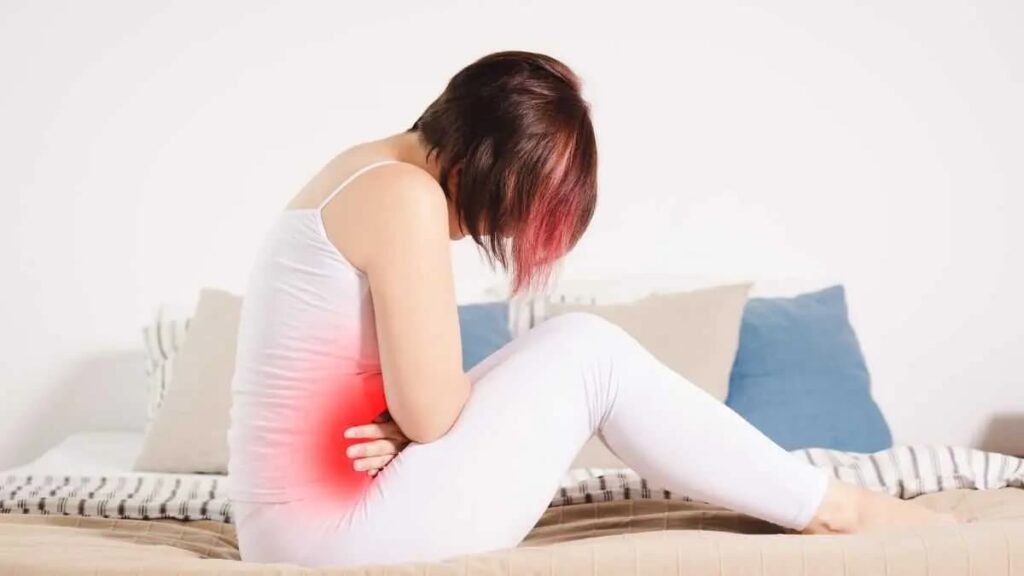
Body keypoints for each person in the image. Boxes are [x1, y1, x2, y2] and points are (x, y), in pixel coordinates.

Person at [226, 50, 955, 569]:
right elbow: (433, 415)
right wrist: (414, 420)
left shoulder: (359, 171)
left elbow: (418, 410)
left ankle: (823, 502)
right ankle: (835, 509)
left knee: (577, 346)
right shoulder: (402, 194)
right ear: (476, 162)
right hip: (335, 538)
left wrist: (411, 419)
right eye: (502, 209)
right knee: (589, 354)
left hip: (298, 529)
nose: (488, 231)